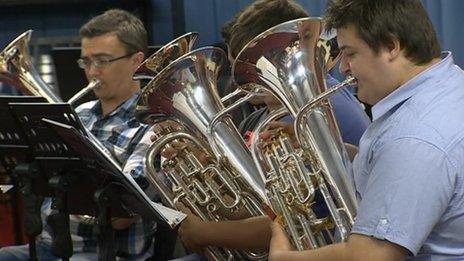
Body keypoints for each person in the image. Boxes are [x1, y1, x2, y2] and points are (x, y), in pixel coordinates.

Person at [268, 0, 464, 260]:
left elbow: (369, 256)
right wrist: (338, 150)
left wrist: (284, 257)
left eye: (350, 54)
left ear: (391, 46)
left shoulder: (413, 137)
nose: (343, 68)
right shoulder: (447, 82)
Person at [174, 0, 371, 255]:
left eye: (248, 69)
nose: (241, 83)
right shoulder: (277, 112)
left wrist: (204, 231)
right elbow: (267, 203)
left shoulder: (312, 107)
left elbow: (287, 217)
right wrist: (207, 173)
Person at [0, 9, 156, 260]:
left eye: (102, 60)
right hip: (51, 246)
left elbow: (121, 217)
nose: (92, 71)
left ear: (137, 61)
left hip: (104, 253)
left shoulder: (152, 125)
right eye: (86, 61)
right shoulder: (79, 113)